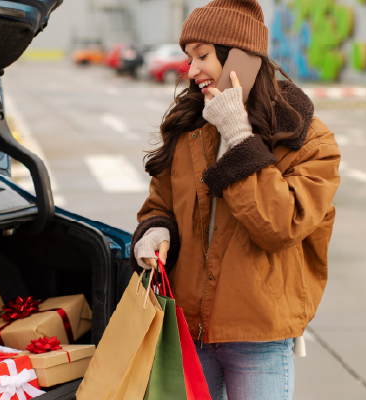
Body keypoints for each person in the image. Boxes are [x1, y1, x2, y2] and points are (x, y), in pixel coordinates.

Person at [130, 0, 341, 399]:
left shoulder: (309, 140)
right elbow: (161, 203)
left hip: (258, 334)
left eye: (202, 56)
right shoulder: (190, 126)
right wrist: (154, 231)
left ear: (239, 58)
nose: (191, 71)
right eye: (188, 58)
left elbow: (280, 226)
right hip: (187, 328)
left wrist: (239, 136)